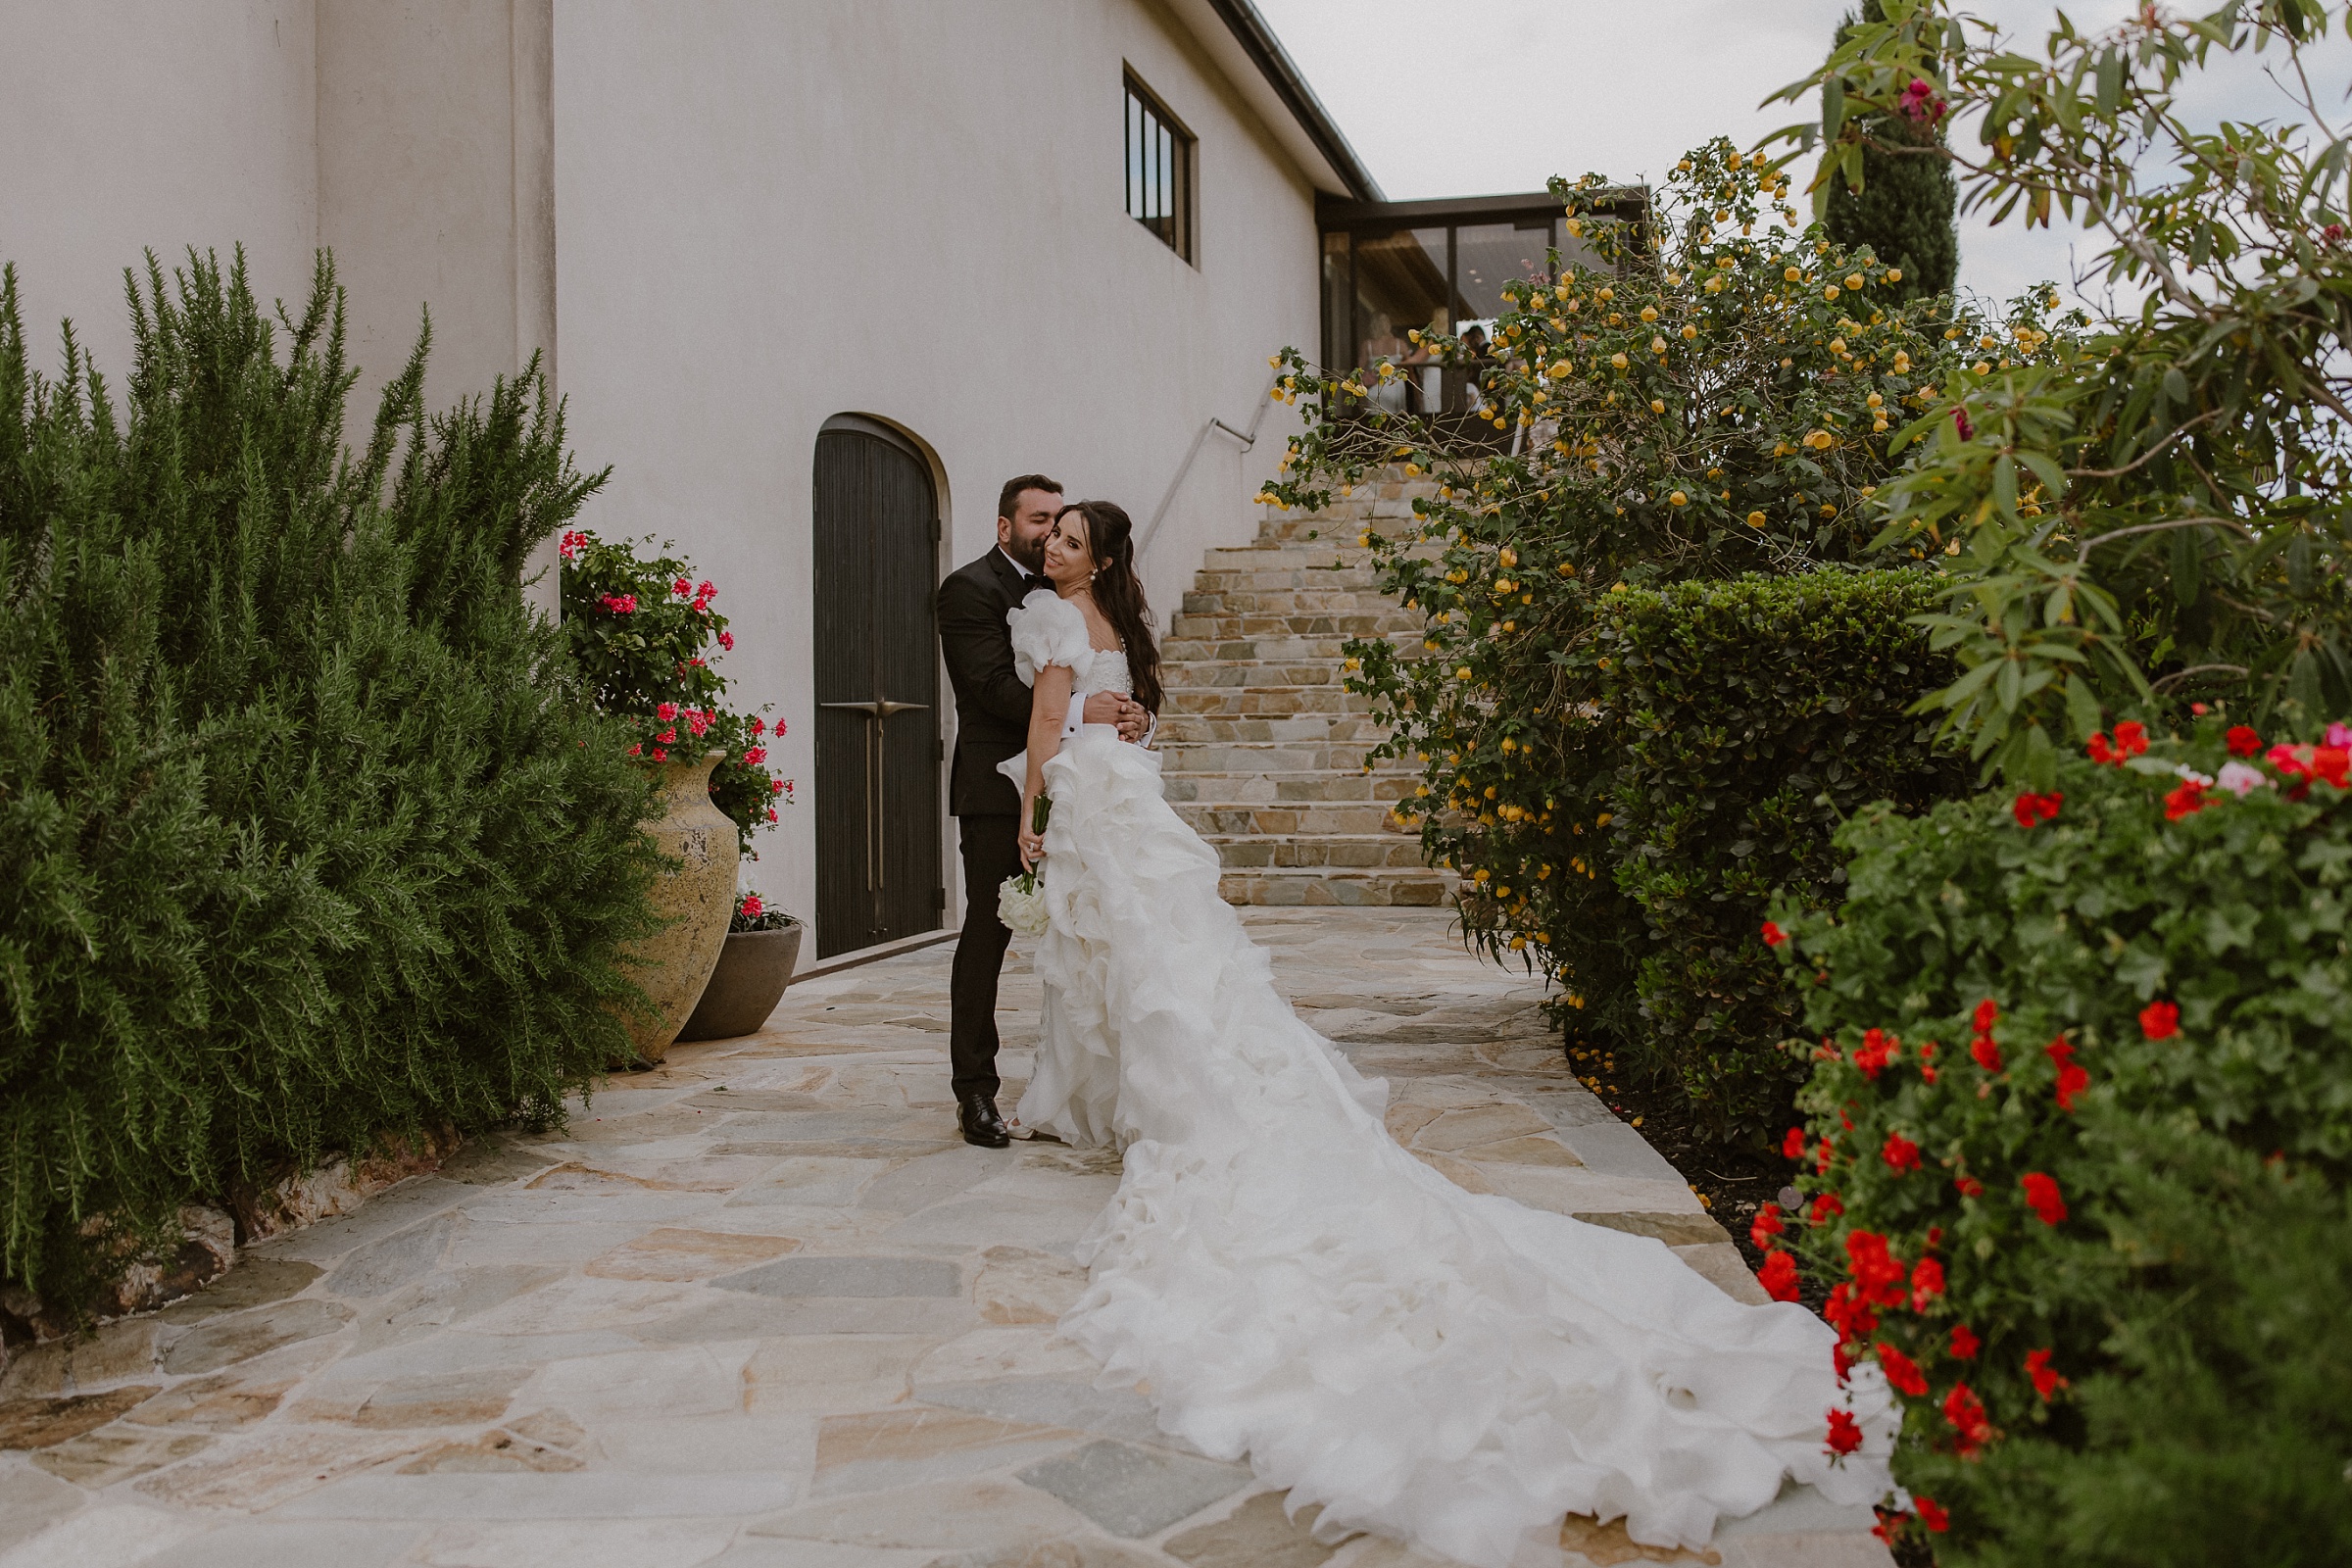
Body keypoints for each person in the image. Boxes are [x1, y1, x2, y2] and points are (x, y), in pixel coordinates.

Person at [990, 497, 1897, 1567]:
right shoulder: (1116, 627)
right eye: (1050, 537)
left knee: (1125, 956)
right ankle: (1118, 1092)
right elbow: (1131, 706)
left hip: (1097, 798)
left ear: (1094, 560)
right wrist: (1127, 722)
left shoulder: (1054, 623)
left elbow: (1050, 724)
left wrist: (1029, 813)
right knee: (1140, 957)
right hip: (1129, 794)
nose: (1052, 547)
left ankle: (1136, 1100)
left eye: (1068, 540)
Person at [936, 474, 1144, 1149]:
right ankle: (975, 1090)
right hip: (998, 796)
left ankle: (1103, 1079)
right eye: (1039, 521)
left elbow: (1114, 678)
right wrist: (1088, 709)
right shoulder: (969, 590)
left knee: (1096, 936)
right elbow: (992, 690)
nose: (1048, 533)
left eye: (1059, 523)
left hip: (1080, 790)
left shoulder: (1073, 601)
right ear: (1006, 526)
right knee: (988, 935)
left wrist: (1128, 717)